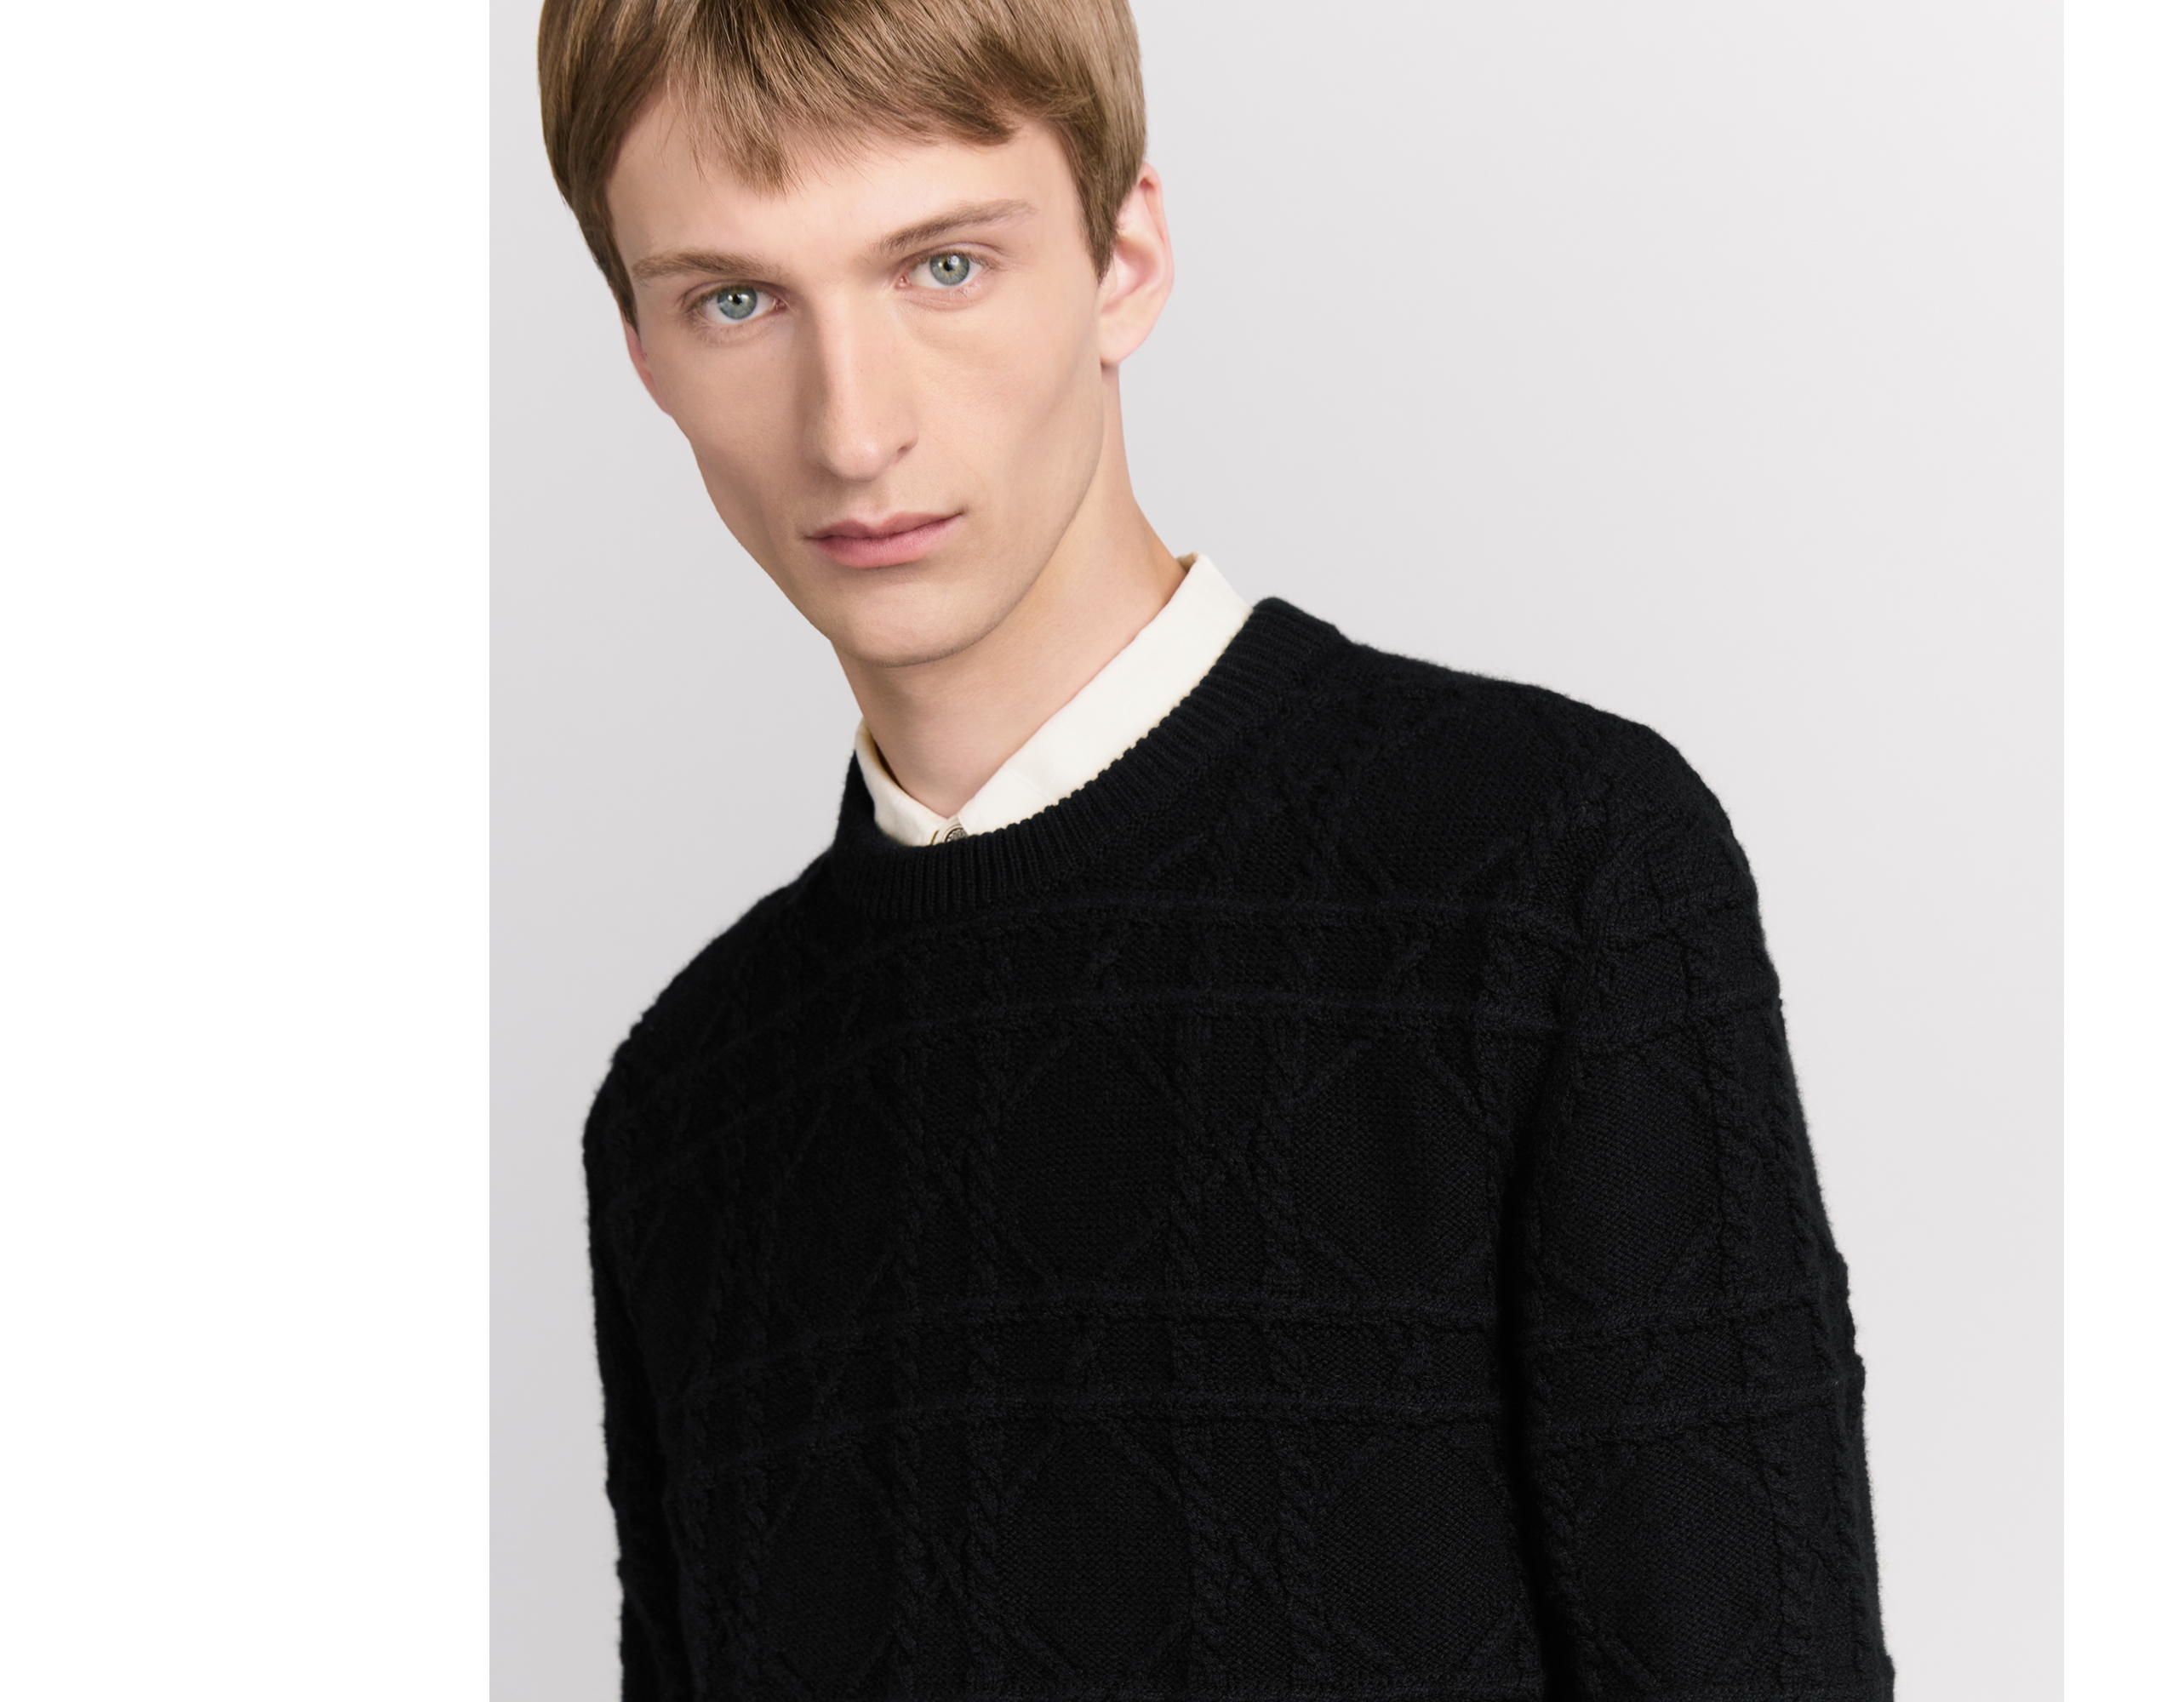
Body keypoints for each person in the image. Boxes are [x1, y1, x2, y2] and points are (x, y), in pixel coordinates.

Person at [538, 1, 1894, 1695]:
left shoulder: (1549, 874)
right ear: (644, 354)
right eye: (735, 301)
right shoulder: (684, 1113)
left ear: (1124, 262)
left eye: (944, 266)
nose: (852, 426)